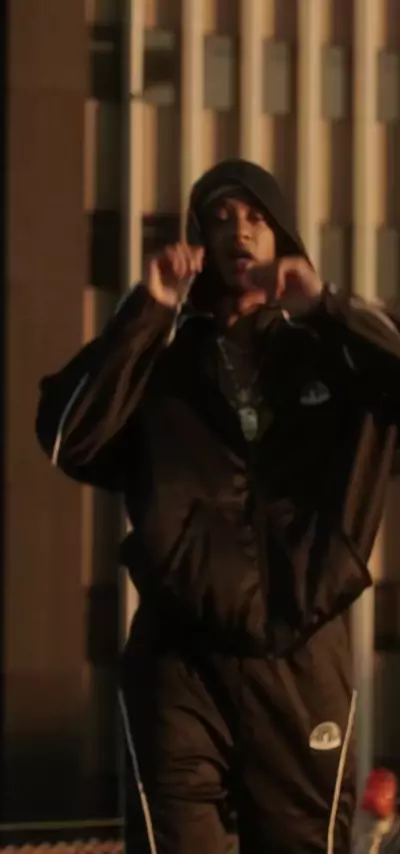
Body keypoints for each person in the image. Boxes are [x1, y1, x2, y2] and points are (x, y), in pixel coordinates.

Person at [36, 159, 400, 854]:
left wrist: (327, 306)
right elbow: (65, 436)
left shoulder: (334, 359)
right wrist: (148, 309)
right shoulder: (162, 364)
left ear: (282, 235)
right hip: (180, 660)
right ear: (199, 240)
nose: (240, 231)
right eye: (221, 218)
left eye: (256, 217)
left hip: (303, 657)